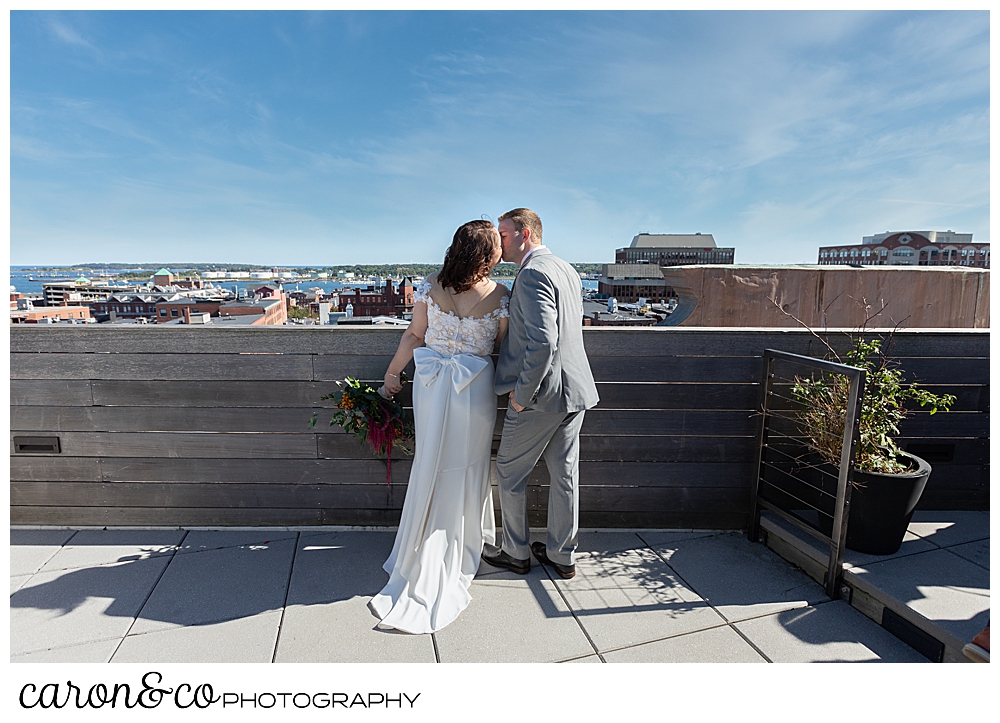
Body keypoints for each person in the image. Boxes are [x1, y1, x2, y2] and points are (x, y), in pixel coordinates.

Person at [369, 220, 509, 634]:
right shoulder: (501, 294)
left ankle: (423, 538)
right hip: (474, 387)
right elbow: (502, 347)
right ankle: (462, 537)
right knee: (468, 463)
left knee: (431, 459)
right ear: (488, 256)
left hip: (430, 384)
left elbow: (413, 337)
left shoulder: (431, 286)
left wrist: (391, 377)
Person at [483, 208, 599, 580]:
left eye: (503, 234)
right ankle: (562, 556)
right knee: (565, 474)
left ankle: (516, 552)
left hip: (540, 396)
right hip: (575, 391)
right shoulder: (565, 268)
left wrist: (521, 394)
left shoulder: (532, 274)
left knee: (509, 472)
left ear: (525, 233)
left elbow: (544, 341)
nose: (498, 242)